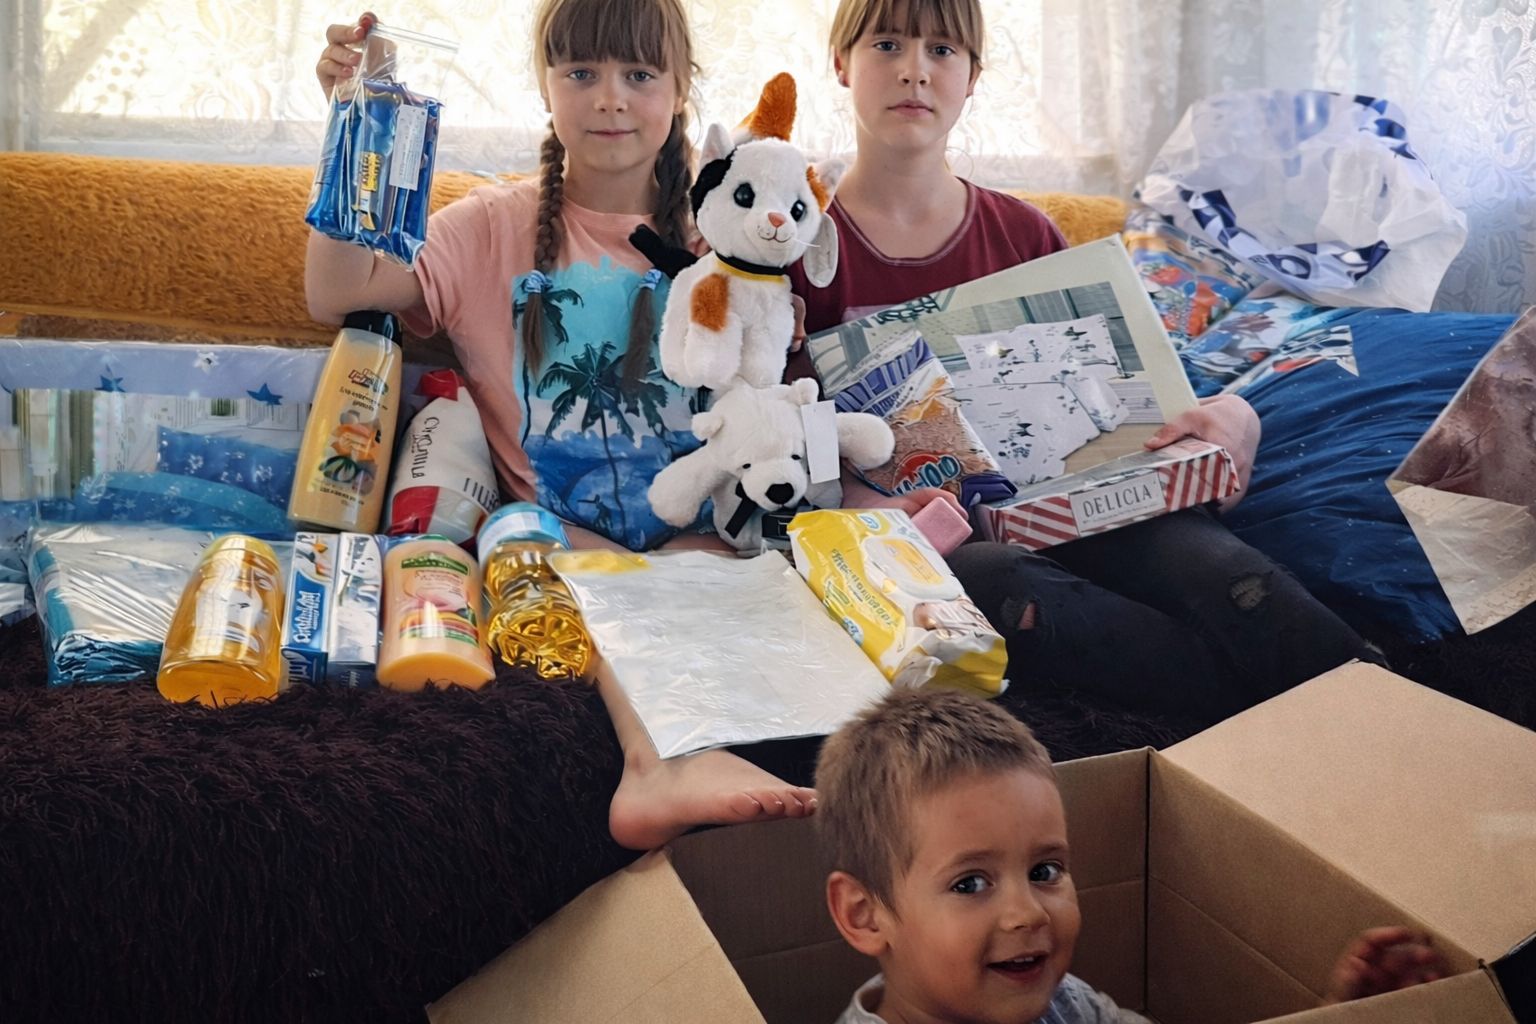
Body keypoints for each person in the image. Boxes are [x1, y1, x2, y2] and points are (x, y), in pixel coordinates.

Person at [307, 0, 813, 850]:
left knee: (717, 578)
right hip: (556, 544)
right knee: (571, 562)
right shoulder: (486, 230)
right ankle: (659, 765)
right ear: (545, 88)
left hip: (706, 539)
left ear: (681, 88)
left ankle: (678, 754)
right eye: (581, 72)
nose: (610, 97)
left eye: (639, 74)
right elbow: (335, 292)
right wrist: (353, 120)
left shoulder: (728, 224)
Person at [791, 0, 1378, 721]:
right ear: (841, 63)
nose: (915, 71)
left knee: (1225, 572)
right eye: (887, 44)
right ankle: (1274, 723)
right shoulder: (793, 248)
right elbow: (785, 439)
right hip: (936, 539)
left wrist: (1233, 417)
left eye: (942, 50)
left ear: (973, 76)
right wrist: (867, 507)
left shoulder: (1026, 235)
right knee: (1002, 584)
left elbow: (1128, 398)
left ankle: (1393, 722)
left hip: (1086, 502)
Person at [815, 688, 1448, 1024]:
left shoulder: (1065, 1004)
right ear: (865, 916)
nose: (1026, 914)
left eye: (1044, 871)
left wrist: (1338, 1015)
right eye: (970, 883)